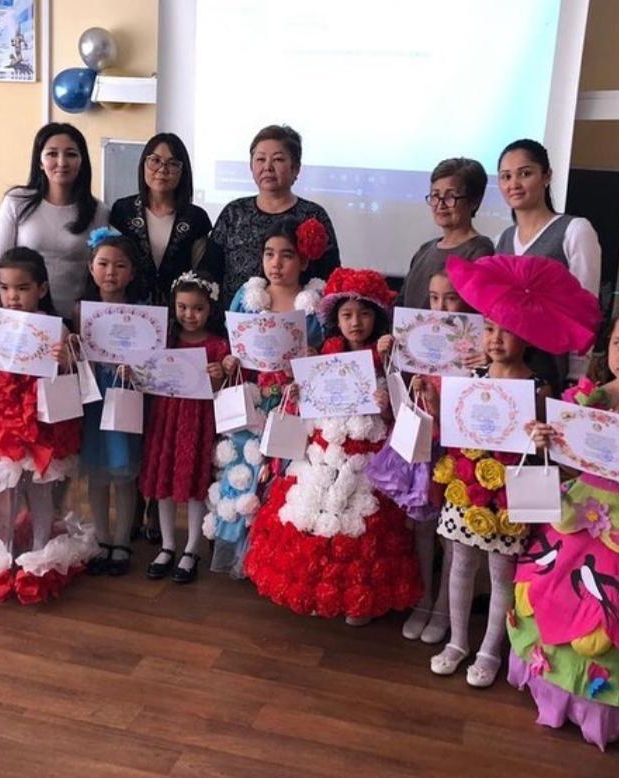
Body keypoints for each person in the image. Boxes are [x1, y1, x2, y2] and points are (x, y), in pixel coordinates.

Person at [508, 269, 619, 750]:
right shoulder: (591, 395)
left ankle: (610, 707)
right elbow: (570, 456)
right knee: (553, 592)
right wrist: (545, 438)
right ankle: (556, 688)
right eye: (618, 345)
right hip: (581, 509)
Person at [429, 255, 601, 687]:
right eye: (489, 329)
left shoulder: (538, 388)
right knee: (459, 564)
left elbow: (552, 445)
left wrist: (543, 436)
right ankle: (457, 640)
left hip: (510, 492)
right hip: (467, 482)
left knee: (501, 572)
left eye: (507, 331)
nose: (495, 339)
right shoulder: (472, 376)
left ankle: (490, 648)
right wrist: (431, 399)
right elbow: (450, 425)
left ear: (527, 337)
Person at [244, 268, 421, 625]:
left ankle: (359, 598)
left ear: (377, 318)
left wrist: (386, 400)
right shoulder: (324, 354)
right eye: (347, 315)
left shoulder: (389, 356)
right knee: (313, 508)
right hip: (323, 445)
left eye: (364, 314)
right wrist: (299, 391)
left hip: (369, 452)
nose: (356, 322)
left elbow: (403, 411)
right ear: (336, 320)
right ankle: (315, 586)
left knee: (362, 521)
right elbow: (310, 402)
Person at [368, 269, 487, 645]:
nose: (441, 306)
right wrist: (390, 357)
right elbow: (398, 396)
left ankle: (443, 608)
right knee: (420, 526)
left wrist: (479, 366)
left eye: (450, 298)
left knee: (450, 535)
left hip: (457, 446)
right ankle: (423, 598)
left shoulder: (478, 342)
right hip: (422, 440)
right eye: (434, 298)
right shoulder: (417, 335)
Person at [0, 248, 85, 603]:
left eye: (22, 288)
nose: (12, 296)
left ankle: (41, 551)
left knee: (40, 488)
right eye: (5, 288)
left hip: (41, 420)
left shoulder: (56, 327)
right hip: (2, 419)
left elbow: (71, 374)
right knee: (5, 488)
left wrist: (65, 359)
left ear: (41, 289)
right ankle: (6, 549)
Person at [206, 216, 327, 577]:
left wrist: (311, 359)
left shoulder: (314, 304)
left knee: (284, 475)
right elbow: (235, 346)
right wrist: (229, 361)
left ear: (303, 261)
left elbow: (326, 356)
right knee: (247, 472)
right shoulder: (248, 298)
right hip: (254, 401)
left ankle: (275, 558)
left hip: (294, 404)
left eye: (286, 255)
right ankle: (244, 554)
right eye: (269, 254)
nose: (276, 263)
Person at [137, 271, 229, 584]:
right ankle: (167, 545)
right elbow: (147, 374)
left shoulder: (218, 345)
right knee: (163, 481)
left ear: (210, 309)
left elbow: (220, 389)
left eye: (198, 308)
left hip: (198, 421)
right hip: (165, 418)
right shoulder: (165, 341)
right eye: (182, 307)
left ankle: (191, 547)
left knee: (194, 484)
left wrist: (218, 375)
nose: (189, 315)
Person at [495, 138, 602, 391]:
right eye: (506, 176)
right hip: (505, 368)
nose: (514, 184)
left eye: (525, 174)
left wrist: (576, 375)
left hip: (551, 367)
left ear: (547, 176)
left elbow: (585, 310)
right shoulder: (502, 240)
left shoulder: (574, 230)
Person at [202, 124, 340, 308]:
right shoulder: (234, 212)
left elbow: (331, 279)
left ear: (295, 168)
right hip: (237, 320)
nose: (267, 167)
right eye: (260, 159)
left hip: (299, 321)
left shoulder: (313, 215)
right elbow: (209, 272)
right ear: (251, 166)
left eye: (278, 159)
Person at [76, 227, 146, 576]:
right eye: (103, 264)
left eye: (120, 265)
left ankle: (122, 541)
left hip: (126, 395)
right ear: (91, 268)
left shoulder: (143, 314)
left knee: (124, 471)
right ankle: (101, 538)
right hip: (93, 397)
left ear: (131, 273)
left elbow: (151, 361)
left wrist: (136, 369)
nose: (110, 272)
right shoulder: (79, 312)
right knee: (97, 473)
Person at [0, 122, 109, 320]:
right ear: (40, 162)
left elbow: (99, 274)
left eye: (71, 154)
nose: (62, 162)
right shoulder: (17, 201)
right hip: (21, 319)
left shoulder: (98, 211)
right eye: (52, 154)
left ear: (82, 162)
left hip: (75, 319)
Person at [109, 132, 212, 305]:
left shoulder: (196, 218)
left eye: (173, 164)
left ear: (183, 171)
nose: (162, 170)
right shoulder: (123, 210)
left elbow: (201, 274)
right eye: (155, 160)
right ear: (143, 164)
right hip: (129, 306)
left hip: (180, 311)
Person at [396, 158, 496, 310]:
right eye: (435, 196)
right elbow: (401, 303)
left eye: (450, 197)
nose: (440, 205)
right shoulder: (425, 250)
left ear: (474, 201)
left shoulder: (480, 251)